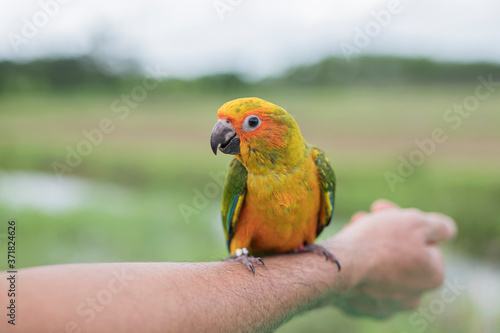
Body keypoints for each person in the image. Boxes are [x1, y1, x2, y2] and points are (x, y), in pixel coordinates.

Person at [0, 199, 456, 333]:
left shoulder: (316, 167)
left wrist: (333, 253)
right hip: (249, 249)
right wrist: (362, 257)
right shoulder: (241, 173)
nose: (225, 132)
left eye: (248, 123)